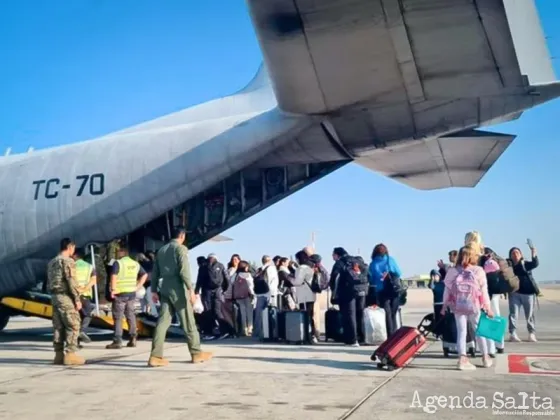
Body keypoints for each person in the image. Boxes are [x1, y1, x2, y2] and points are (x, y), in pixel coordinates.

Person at [148, 227, 212, 367]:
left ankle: (155, 356)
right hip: (179, 288)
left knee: (163, 322)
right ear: (182, 236)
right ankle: (196, 353)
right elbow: (184, 271)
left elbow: (155, 272)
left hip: (164, 288)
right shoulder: (181, 249)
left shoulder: (162, 250)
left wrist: (153, 290)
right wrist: (191, 290)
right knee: (188, 321)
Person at [442, 244, 494, 370]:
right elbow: (484, 291)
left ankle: (462, 359)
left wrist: (444, 306)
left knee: (462, 331)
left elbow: (447, 291)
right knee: (478, 330)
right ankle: (485, 357)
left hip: (457, 306)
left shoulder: (453, 271)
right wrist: (488, 306)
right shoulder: (478, 270)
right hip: (474, 305)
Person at [46, 238, 85, 365]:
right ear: (70, 247)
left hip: (55, 297)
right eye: (73, 248)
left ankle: (58, 354)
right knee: (73, 324)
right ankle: (70, 354)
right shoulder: (68, 261)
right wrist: (77, 299)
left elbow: (49, 282)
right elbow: (71, 281)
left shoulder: (52, 262)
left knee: (58, 326)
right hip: (65, 296)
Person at [105, 244, 148, 349]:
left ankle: (117, 341)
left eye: (118, 251)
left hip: (120, 294)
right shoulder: (135, 264)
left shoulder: (118, 263)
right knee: (130, 316)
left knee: (118, 317)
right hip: (131, 294)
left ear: (122, 252)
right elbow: (145, 275)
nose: (117, 253)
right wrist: (138, 286)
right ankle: (133, 337)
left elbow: (113, 276)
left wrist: (113, 290)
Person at [508, 243, 540, 342]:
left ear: (521, 255)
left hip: (528, 293)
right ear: (510, 256)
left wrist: (533, 253)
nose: (515, 255)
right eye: (513, 253)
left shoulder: (525, 264)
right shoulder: (509, 265)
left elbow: (535, 264)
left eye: (517, 253)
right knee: (513, 314)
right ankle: (513, 334)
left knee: (529, 314)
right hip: (514, 293)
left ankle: (531, 333)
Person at [369, 244, 402, 336]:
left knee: (386, 313)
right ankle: (395, 334)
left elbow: (371, 278)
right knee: (393, 313)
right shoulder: (390, 260)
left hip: (381, 290)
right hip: (393, 289)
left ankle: (390, 334)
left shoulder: (373, 263)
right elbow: (399, 273)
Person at [335, 254, 369, 346]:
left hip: (349, 292)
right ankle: (362, 337)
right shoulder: (363, 265)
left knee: (351, 315)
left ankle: (352, 339)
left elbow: (336, 279)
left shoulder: (344, 265)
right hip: (362, 292)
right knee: (360, 314)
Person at [195, 253, 230, 340]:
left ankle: (209, 333)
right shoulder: (221, 265)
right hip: (218, 291)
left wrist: (196, 291)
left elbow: (199, 279)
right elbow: (227, 279)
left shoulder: (203, 266)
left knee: (208, 312)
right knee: (218, 311)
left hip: (207, 291)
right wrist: (223, 290)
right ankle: (225, 331)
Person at [292, 251, 319, 344]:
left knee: (304, 317)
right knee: (310, 316)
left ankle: (305, 336)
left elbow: (297, 282)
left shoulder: (302, 268)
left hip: (304, 296)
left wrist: (289, 278)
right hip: (311, 295)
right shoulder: (311, 267)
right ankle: (313, 335)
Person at [72, 248, 97, 346]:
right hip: (85, 295)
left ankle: (75, 343)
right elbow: (93, 280)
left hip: (74, 295)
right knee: (87, 315)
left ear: (75, 256)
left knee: (75, 318)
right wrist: (84, 289)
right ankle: (83, 331)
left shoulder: (72, 265)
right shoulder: (90, 267)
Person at [232, 260, 255, 336]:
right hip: (247, 295)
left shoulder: (235, 275)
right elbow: (250, 286)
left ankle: (243, 329)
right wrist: (252, 294)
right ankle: (250, 328)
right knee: (249, 312)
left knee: (242, 312)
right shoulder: (248, 275)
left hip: (238, 296)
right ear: (245, 267)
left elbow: (231, 283)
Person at [428, 269, 445, 339]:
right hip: (437, 304)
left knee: (443, 319)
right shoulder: (433, 284)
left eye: (436, 275)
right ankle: (438, 334)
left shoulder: (443, 283)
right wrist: (432, 279)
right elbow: (431, 286)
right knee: (437, 319)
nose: (435, 277)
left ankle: (443, 333)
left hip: (444, 304)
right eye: (433, 276)